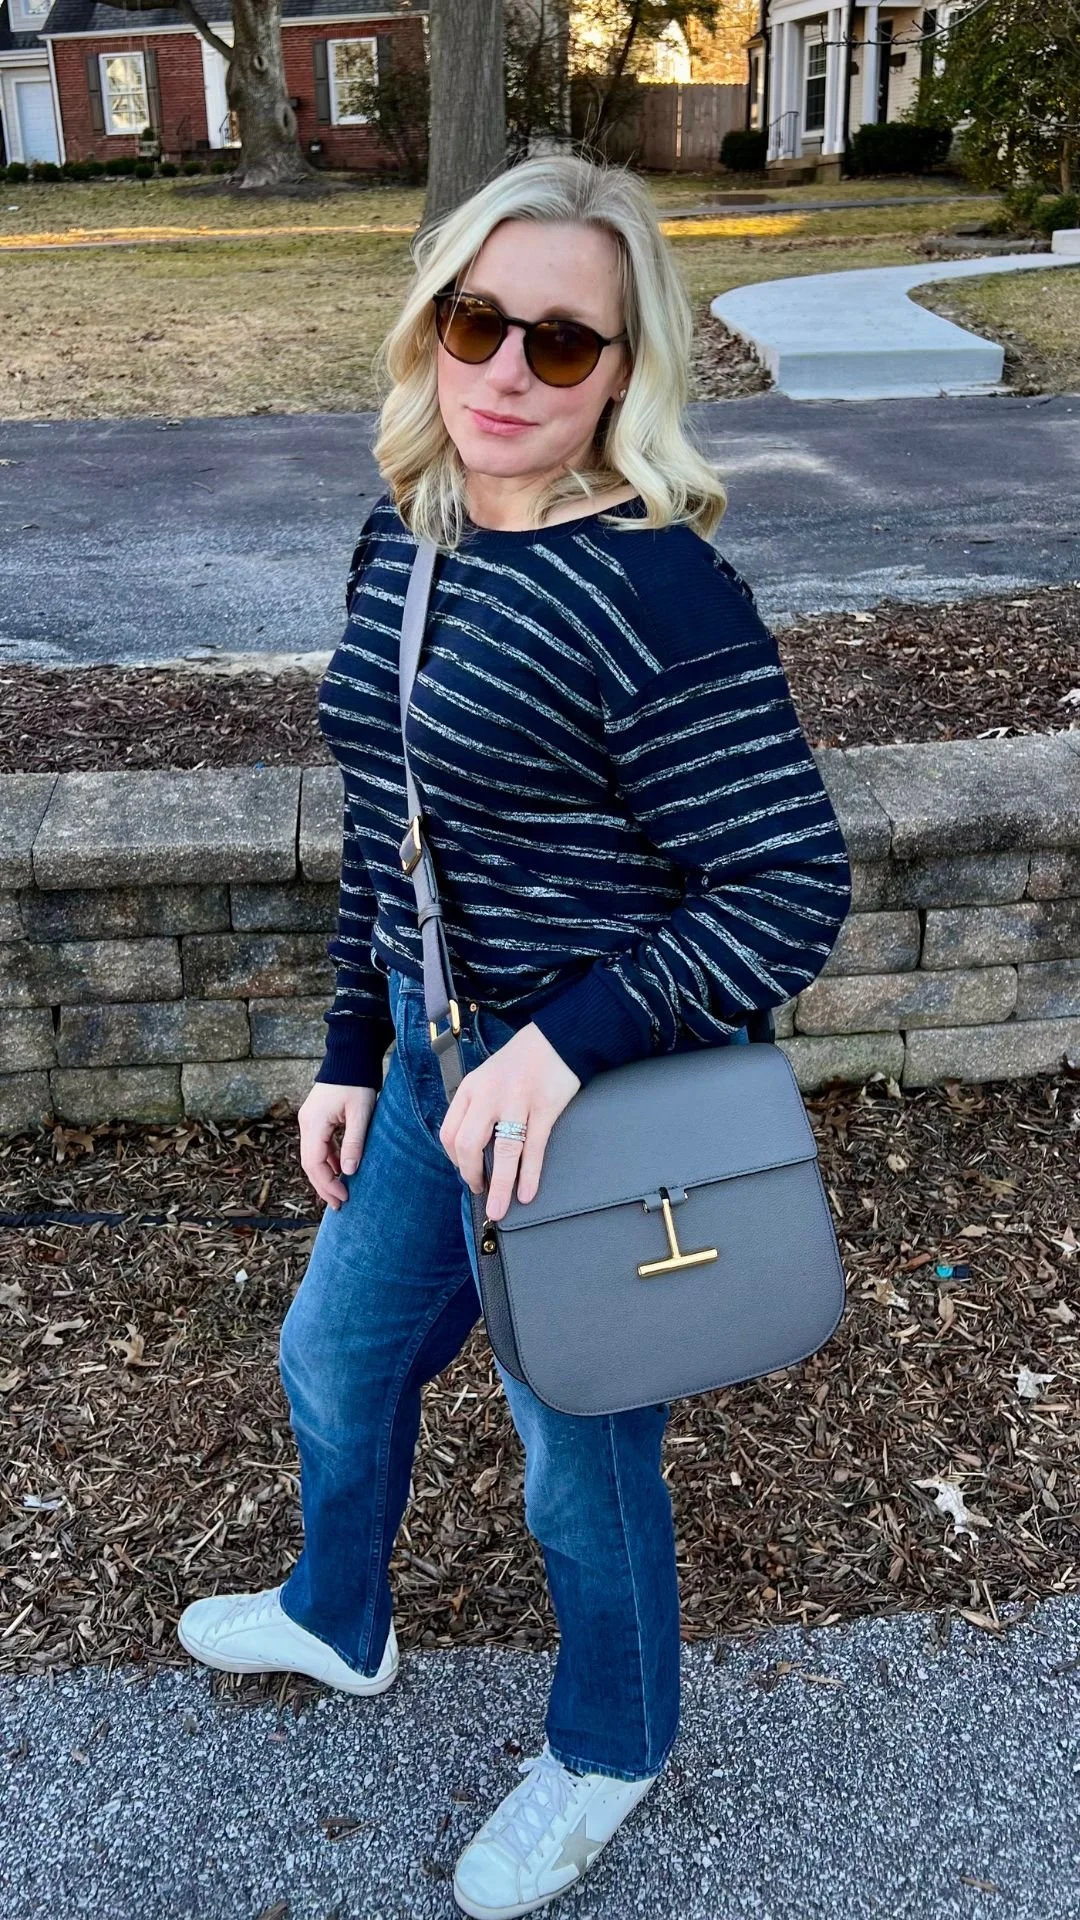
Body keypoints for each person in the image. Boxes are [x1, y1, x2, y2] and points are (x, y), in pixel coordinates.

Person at [177, 152, 853, 1918]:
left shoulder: (657, 593)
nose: (509, 372)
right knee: (332, 1357)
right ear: (432, 324)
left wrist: (562, 1043)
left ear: (624, 375)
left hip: (589, 1108)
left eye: (566, 344)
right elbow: (394, 828)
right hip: (426, 1068)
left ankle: (614, 1744)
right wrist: (350, 1044)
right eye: (481, 321)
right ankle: (340, 1617)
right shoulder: (412, 534)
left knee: (578, 1458)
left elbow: (788, 887)